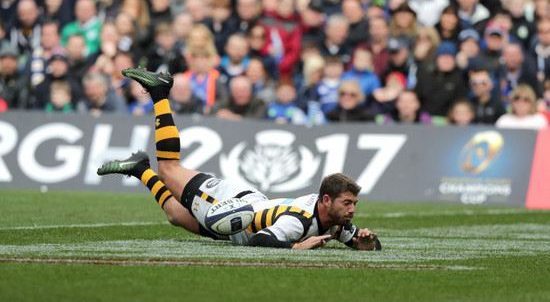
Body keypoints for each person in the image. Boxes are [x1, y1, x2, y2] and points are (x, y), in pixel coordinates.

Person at [96, 67, 381, 250]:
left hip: (240, 220)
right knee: (170, 170)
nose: (352, 210)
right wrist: (296, 248)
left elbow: (362, 242)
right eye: (347, 203)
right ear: (327, 201)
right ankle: (159, 93)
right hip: (232, 207)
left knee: (175, 215)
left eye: (354, 203)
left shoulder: (335, 220)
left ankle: (140, 168)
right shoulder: (300, 221)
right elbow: (261, 240)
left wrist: (367, 242)